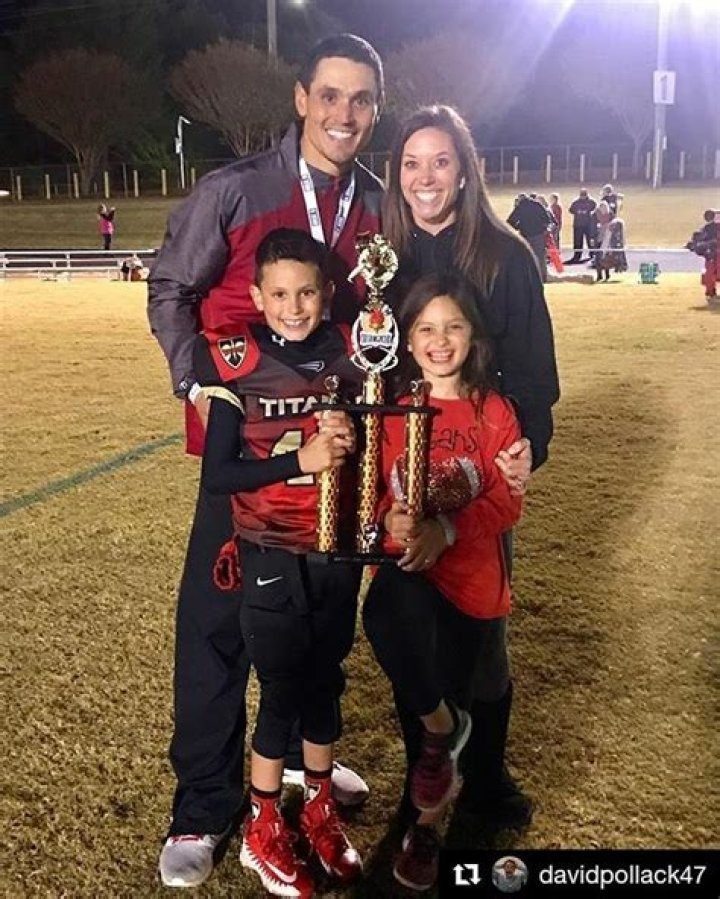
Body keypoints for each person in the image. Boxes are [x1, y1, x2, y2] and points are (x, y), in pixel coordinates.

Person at [147, 33, 385, 889]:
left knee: (318, 625)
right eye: (330, 94)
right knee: (217, 628)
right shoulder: (236, 189)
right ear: (301, 98)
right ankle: (204, 803)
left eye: (361, 99)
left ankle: (298, 763)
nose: (344, 113)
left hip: (337, 454)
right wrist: (197, 382)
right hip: (249, 451)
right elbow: (171, 287)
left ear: (375, 109)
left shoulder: (377, 203)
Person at [381, 105, 559, 844]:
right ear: (396, 173)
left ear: (464, 170)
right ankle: (424, 775)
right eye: (411, 162)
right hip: (404, 467)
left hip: (479, 472)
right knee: (407, 628)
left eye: (441, 161)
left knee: (482, 639)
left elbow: (535, 374)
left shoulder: (505, 256)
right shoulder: (381, 255)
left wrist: (526, 448)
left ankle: (484, 779)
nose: (425, 177)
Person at [196, 228, 364, 897]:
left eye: (307, 293)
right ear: (258, 296)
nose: (294, 307)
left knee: (325, 682)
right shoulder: (235, 358)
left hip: (335, 544)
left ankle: (318, 809)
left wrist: (350, 436)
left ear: (327, 293)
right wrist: (302, 459)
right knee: (283, 690)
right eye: (281, 294)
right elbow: (219, 475)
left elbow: (372, 437)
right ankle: (262, 827)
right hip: (270, 546)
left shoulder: (352, 351)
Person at [364, 275, 524, 891]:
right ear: (405, 341)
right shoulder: (393, 413)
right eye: (425, 328)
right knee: (400, 652)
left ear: (472, 335)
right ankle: (430, 772)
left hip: (473, 583)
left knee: (456, 689)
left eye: (453, 326)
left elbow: (506, 502)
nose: (440, 340)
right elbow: (379, 492)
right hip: (411, 577)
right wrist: (390, 519)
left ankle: (428, 828)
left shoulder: (494, 411)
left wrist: (447, 529)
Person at [506, 193, 554, 282]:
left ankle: (528, 278)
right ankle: (542, 278)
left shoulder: (520, 207)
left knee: (525, 258)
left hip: (525, 236)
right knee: (540, 257)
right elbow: (547, 220)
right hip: (539, 235)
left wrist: (519, 226)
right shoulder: (538, 205)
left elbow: (510, 221)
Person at [686, 209, 719, 303]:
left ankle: (711, 293)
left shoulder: (708, 228)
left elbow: (698, 239)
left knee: (710, 273)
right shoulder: (708, 228)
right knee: (710, 272)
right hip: (713, 256)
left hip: (713, 256)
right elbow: (698, 239)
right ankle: (711, 293)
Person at [565, 187, 596, 263]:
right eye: (582, 195)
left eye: (584, 195)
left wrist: (586, 211)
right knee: (577, 241)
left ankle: (592, 254)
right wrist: (578, 211)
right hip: (578, 225)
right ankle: (577, 255)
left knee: (590, 240)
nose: (583, 196)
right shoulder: (576, 202)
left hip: (588, 224)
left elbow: (594, 208)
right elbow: (571, 210)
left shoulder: (591, 202)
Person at [592, 217, 627, 281]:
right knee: (599, 260)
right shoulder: (606, 229)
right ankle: (600, 275)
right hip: (602, 245)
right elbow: (604, 241)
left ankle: (606, 275)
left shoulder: (616, 235)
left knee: (604, 259)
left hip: (607, 247)